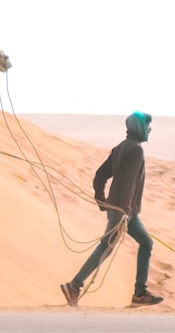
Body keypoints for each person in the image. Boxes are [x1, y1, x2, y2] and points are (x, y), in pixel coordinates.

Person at [61, 111, 163, 307]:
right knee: (106, 246)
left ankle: (140, 293)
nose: (150, 129)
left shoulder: (120, 148)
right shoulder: (135, 150)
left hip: (124, 210)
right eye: (147, 126)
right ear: (139, 128)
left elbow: (100, 175)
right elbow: (129, 184)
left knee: (146, 243)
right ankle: (74, 285)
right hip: (124, 210)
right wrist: (123, 210)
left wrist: (102, 200)